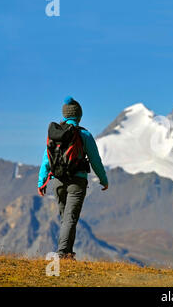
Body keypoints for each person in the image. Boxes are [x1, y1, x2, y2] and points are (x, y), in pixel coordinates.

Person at [37, 96, 108, 260]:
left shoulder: (55, 134)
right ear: (79, 116)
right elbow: (95, 161)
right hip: (77, 182)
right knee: (70, 219)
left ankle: (67, 253)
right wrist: (103, 180)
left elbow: (46, 159)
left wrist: (41, 182)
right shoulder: (84, 134)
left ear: (64, 115)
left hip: (57, 181)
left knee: (66, 219)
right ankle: (62, 253)